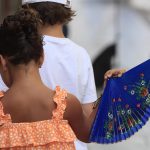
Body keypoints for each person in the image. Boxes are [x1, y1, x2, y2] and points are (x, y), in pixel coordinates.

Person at [0, 8, 125, 149]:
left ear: (3, 62)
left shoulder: (2, 107)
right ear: (42, 57)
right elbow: (90, 133)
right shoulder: (65, 104)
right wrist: (109, 91)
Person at [21, 1, 97, 149]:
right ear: (65, 9)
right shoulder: (80, 54)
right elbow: (89, 119)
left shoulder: (22, 52)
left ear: (28, 11)